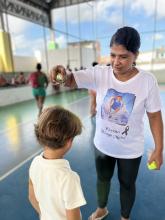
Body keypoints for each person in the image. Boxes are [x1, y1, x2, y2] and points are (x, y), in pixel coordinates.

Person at [50, 26, 164, 220]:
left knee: (127, 184)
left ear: (136, 55)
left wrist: (159, 149)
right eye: (112, 55)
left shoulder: (147, 81)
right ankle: (102, 209)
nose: (116, 62)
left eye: (123, 56)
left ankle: (124, 217)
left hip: (130, 150)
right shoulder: (100, 73)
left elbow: (154, 116)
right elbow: (70, 80)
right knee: (103, 179)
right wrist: (61, 74)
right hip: (103, 146)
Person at [29, 105, 86, 220]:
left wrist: (45, 215)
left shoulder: (35, 162)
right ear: (69, 142)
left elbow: (32, 197)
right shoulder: (69, 178)